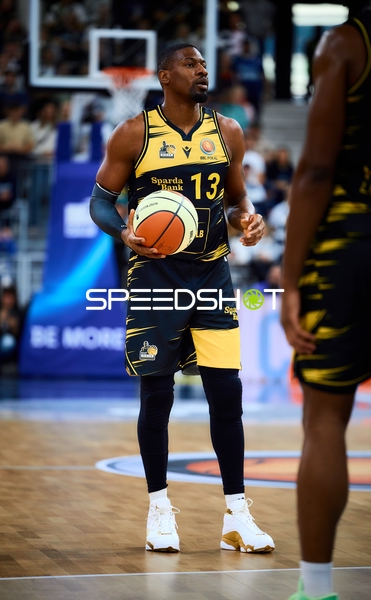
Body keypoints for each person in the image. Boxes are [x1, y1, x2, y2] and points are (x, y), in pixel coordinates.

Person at [90, 43, 275, 554]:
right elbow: (101, 203)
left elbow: (236, 199)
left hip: (212, 274)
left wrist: (247, 219)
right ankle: (158, 510)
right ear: (165, 76)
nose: (202, 70)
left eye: (204, 65)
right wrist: (123, 233)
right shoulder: (134, 134)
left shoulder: (228, 131)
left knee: (227, 395)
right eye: (191, 64)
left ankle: (237, 515)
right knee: (157, 394)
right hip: (155, 275)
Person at [280, 2, 371, 599]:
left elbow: (317, 170)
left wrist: (292, 280)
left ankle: (316, 589)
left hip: (352, 244)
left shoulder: (345, 44)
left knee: (324, 421)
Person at [0, 284, 21, 379]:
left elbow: (19, 336)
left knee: (7, 342)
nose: (8, 301)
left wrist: (14, 327)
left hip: (6, 347)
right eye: (6, 297)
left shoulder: (17, 312)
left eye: (10, 297)